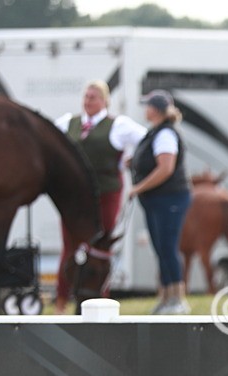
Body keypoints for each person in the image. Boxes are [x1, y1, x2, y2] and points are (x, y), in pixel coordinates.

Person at [53, 80, 147, 313]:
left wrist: (133, 161)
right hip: (75, 197)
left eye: (93, 97)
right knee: (69, 245)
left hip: (105, 193)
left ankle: (99, 300)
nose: (88, 101)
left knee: (100, 246)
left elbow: (148, 140)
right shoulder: (69, 123)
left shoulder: (118, 125)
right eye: (86, 97)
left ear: (105, 101)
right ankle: (62, 299)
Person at [129, 90, 192, 314]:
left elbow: (166, 169)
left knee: (167, 246)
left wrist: (138, 187)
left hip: (169, 198)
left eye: (148, 106)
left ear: (155, 110)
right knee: (160, 248)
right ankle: (165, 296)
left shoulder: (165, 134)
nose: (145, 109)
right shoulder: (154, 133)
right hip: (156, 200)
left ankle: (178, 298)